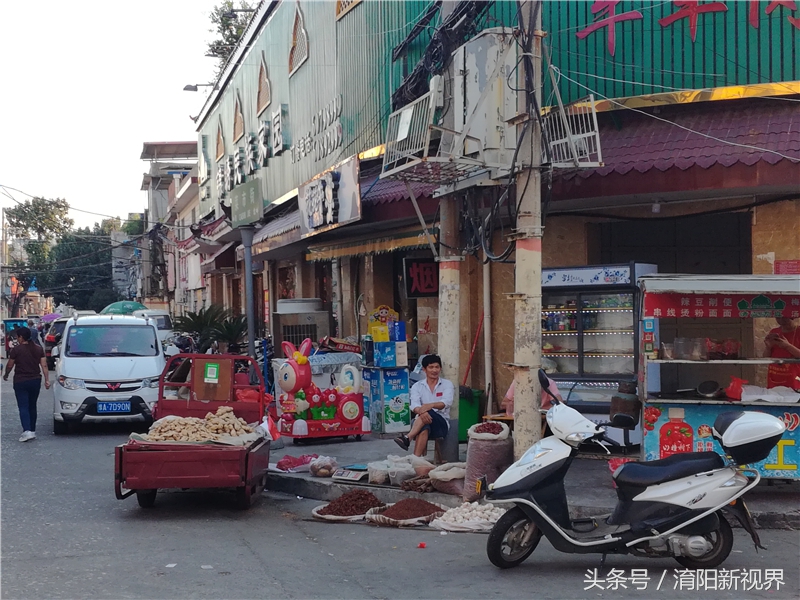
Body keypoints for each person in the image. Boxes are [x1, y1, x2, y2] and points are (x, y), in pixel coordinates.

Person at [394, 354, 454, 457]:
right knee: (424, 426)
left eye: (437, 367)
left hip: (441, 424)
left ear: (440, 369)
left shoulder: (447, 384)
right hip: (421, 421)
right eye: (431, 367)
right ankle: (416, 459)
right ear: (424, 369)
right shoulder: (417, 386)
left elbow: (446, 402)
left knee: (427, 412)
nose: (434, 370)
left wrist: (430, 406)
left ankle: (408, 437)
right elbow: (414, 405)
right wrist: (423, 412)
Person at [3, 327, 51, 442]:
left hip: (21, 381)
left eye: (17, 337)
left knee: (23, 406)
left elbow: (10, 365)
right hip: (35, 380)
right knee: (32, 405)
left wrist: (6, 375)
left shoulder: (16, 350)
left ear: (21, 337)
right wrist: (47, 380)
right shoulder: (38, 349)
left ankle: (27, 430)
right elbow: (44, 365)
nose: (17, 339)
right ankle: (32, 430)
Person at [764, 316, 800, 390]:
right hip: (775, 376)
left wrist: (788, 346)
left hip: (794, 378)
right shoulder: (774, 331)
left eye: (784, 317)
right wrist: (768, 347)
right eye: (778, 317)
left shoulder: (798, 331)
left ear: (792, 316)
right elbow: (766, 357)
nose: (781, 320)